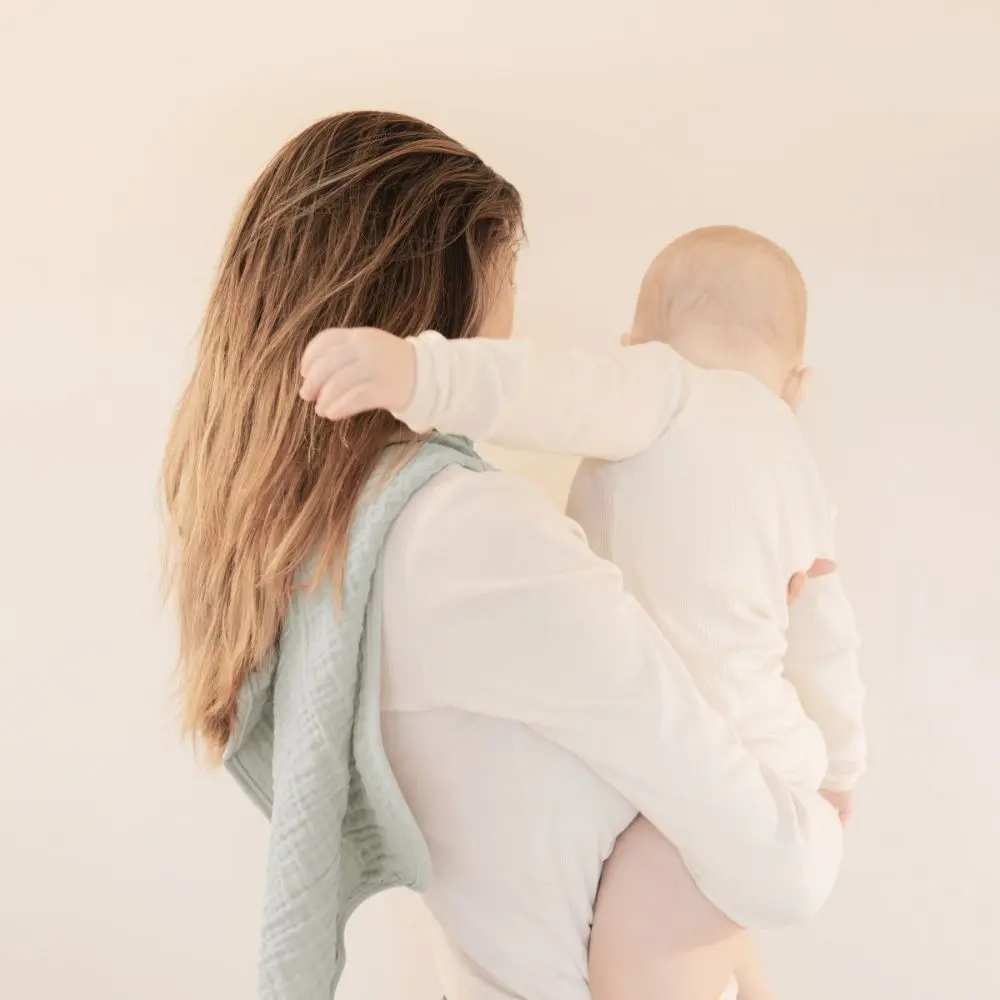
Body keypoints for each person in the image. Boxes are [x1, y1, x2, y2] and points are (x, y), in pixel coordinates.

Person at [164, 111, 843, 1000]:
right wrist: (834, 802)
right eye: (503, 286)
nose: (512, 339)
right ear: (436, 310)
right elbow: (777, 865)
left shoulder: (332, 548)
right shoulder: (467, 534)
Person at [299, 225, 866, 999]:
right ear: (797, 384)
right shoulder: (802, 472)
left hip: (688, 801)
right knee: (700, 944)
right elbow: (827, 642)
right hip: (774, 765)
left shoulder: (666, 389)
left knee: (633, 967)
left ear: (635, 346)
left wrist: (418, 373)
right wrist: (840, 773)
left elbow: (543, 390)